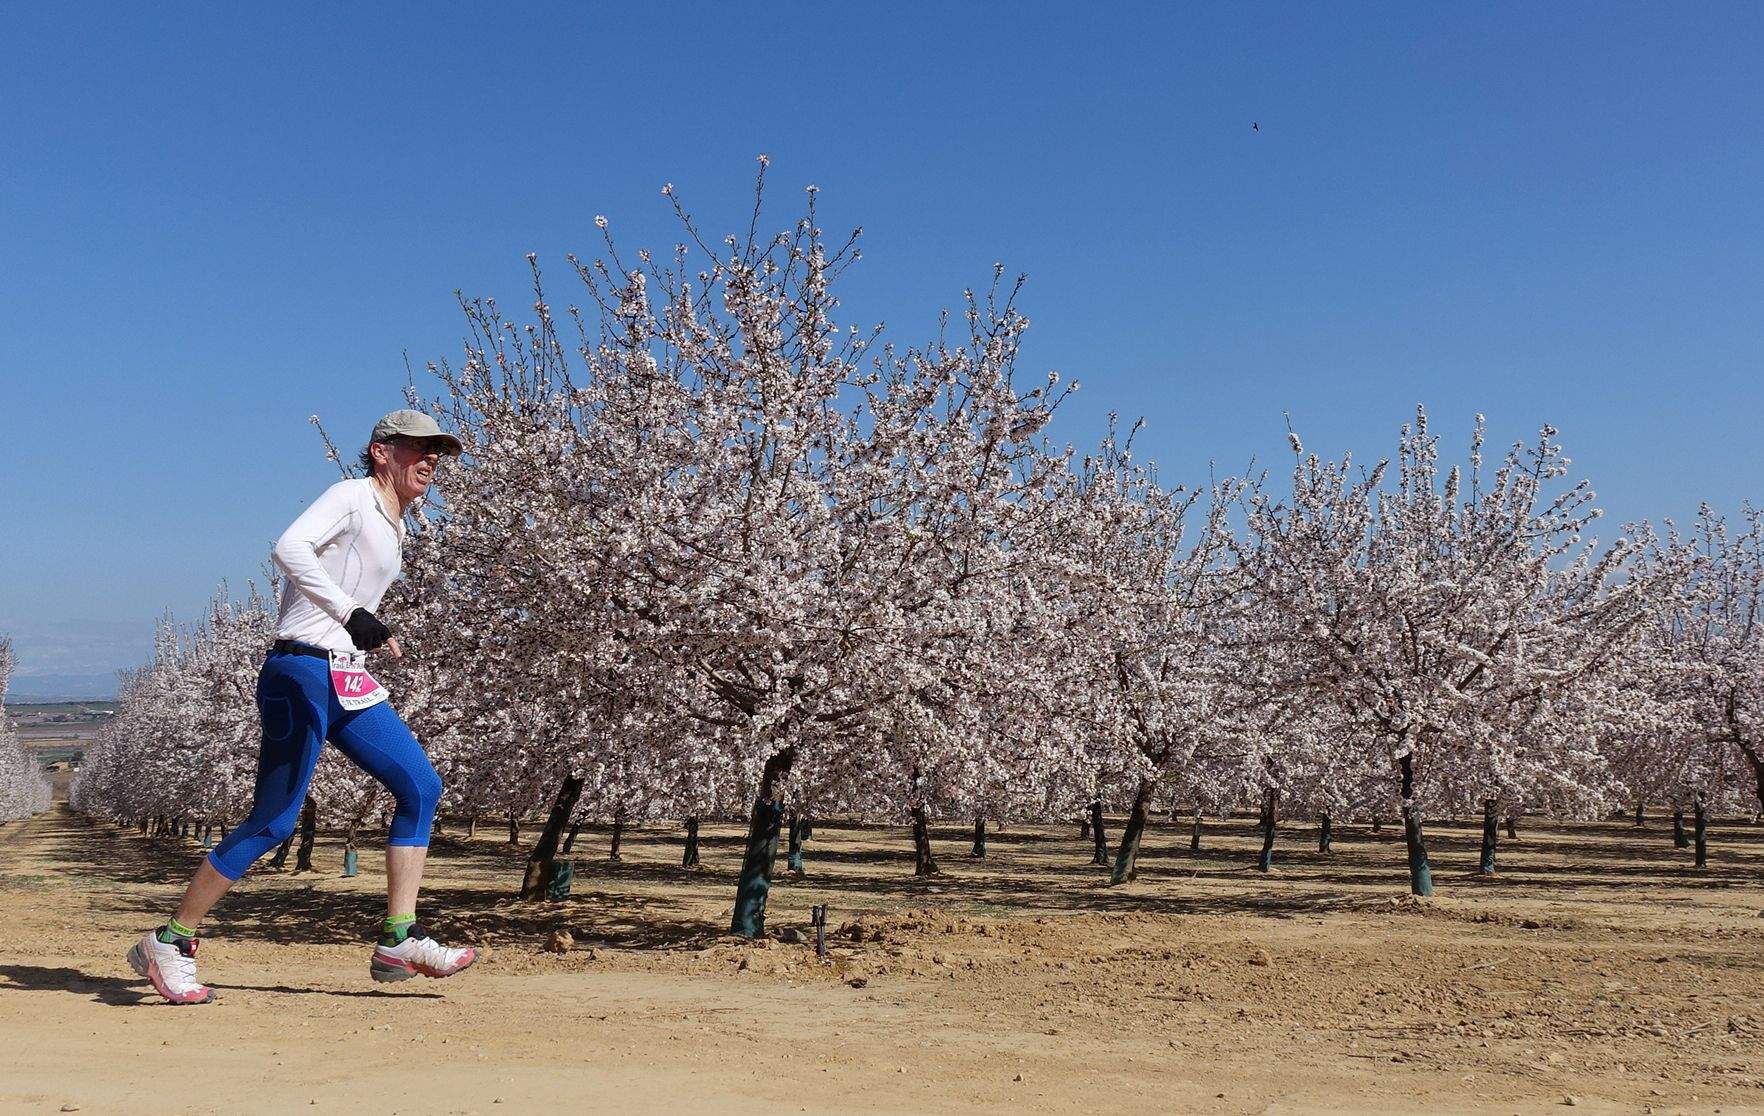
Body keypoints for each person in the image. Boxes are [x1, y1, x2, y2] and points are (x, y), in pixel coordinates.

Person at [128, 409, 477, 1004]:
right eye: (419, 447)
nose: (432, 458)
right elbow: (289, 547)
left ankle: (398, 935)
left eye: (438, 449)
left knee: (421, 787)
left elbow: (350, 588)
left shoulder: (398, 522)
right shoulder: (350, 496)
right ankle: (170, 939)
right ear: (381, 452)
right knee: (275, 820)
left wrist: (368, 629)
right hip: (300, 670)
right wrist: (351, 615)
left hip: (344, 675)